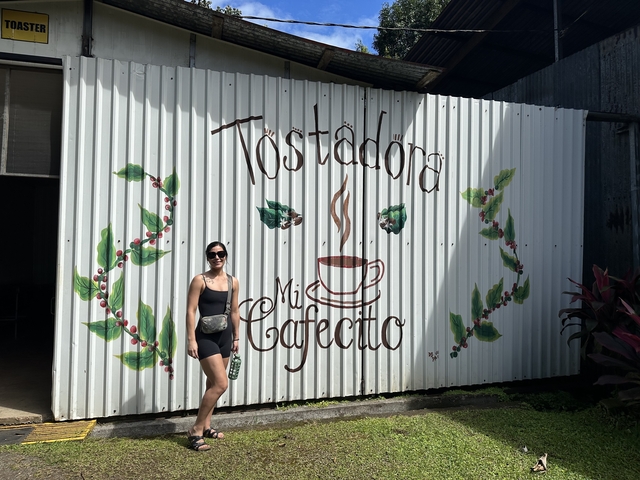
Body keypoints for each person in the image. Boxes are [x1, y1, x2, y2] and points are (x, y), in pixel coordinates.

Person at [185, 241, 240, 451]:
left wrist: (236, 338)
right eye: (212, 254)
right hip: (205, 337)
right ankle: (196, 429)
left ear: (226, 255)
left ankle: (207, 425)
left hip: (225, 337)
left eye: (221, 253)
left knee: (211, 384)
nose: (217, 257)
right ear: (207, 257)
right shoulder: (200, 280)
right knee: (221, 384)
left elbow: (234, 311)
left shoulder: (233, 282)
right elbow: (190, 311)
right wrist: (191, 340)